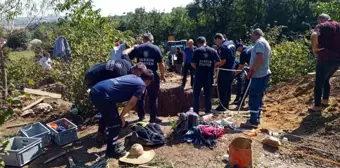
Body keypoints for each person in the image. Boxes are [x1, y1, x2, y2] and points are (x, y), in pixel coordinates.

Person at [89, 70, 154, 158]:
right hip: (103, 95)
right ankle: (111, 152)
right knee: (116, 124)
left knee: (108, 115)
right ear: (148, 81)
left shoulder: (133, 77)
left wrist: (120, 115)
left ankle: (103, 136)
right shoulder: (142, 85)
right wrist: (121, 116)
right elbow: (132, 103)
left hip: (95, 90)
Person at [129, 32, 166, 123]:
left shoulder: (138, 48)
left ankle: (141, 116)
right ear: (151, 40)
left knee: (139, 96)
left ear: (143, 40)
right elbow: (161, 64)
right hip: (152, 76)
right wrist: (162, 76)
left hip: (140, 76)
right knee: (153, 97)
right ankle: (153, 118)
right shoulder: (155, 48)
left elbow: (127, 57)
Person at [309, 14, 340, 112]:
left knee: (319, 81)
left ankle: (317, 106)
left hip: (325, 57)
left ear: (321, 20)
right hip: (337, 59)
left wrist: (314, 49)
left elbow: (314, 35)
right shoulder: (338, 25)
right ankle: (325, 100)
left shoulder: (322, 26)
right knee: (326, 79)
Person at [243, 28, 272, 127]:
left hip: (258, 75)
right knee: (259, 97)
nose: (251, 36)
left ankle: (253, 121)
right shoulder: (265, 42)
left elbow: (259, 58)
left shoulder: (259, 43)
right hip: (263, 73)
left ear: (256, 34)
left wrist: (251, 71)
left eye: (252, 34)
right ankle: (256, 117)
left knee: (254, 97)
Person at [191, 37, 221, 114]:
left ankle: (196, 111)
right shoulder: (213, 50)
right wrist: (212, 67)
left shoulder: (197, 51)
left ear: (198, 43)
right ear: (205, 42)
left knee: (196, 94)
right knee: (208, 94)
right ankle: (207, 111)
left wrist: (198, 68)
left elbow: (192, 63)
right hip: (208, 75)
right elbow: (218, 61)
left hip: (199, 75)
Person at [214, 33, 236, 111]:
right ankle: (226, 104)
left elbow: (223, 61)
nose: (216, 43)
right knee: (228, 88)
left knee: (222, 88)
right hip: (232, 69)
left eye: (216, 41)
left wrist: (215, 66)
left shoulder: (222, 47)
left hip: (225, 70)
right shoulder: (231, 43)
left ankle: (222, 106)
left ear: (218, 39)